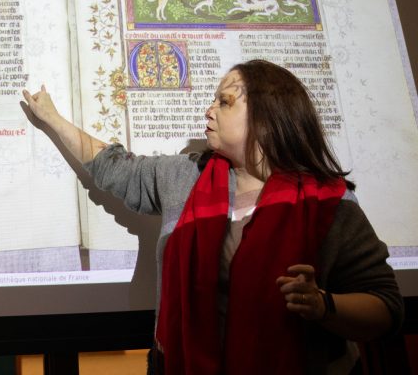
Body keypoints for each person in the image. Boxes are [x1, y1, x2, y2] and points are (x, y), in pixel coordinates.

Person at [22, 59, 403, 374]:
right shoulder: (183, 176)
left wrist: (322, 305)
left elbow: (384, 305)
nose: (209, 110)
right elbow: (113, 166)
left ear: (267, 118)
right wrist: (52, 119)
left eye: (224, 102)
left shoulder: (328, 202)